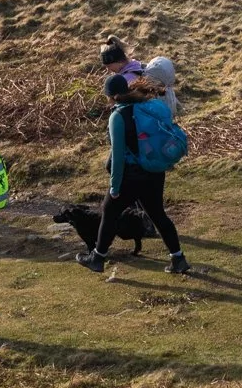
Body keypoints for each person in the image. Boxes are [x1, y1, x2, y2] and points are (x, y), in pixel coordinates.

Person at [77, 74, 188, 275]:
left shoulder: (118, 116)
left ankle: (97, 258)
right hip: (154, 171)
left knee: (109, 213)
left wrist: (115, 186)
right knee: (158, 215)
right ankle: (178, 258)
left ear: (111, 96)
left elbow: (118, 156)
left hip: (130, 175)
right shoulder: (145, 106)